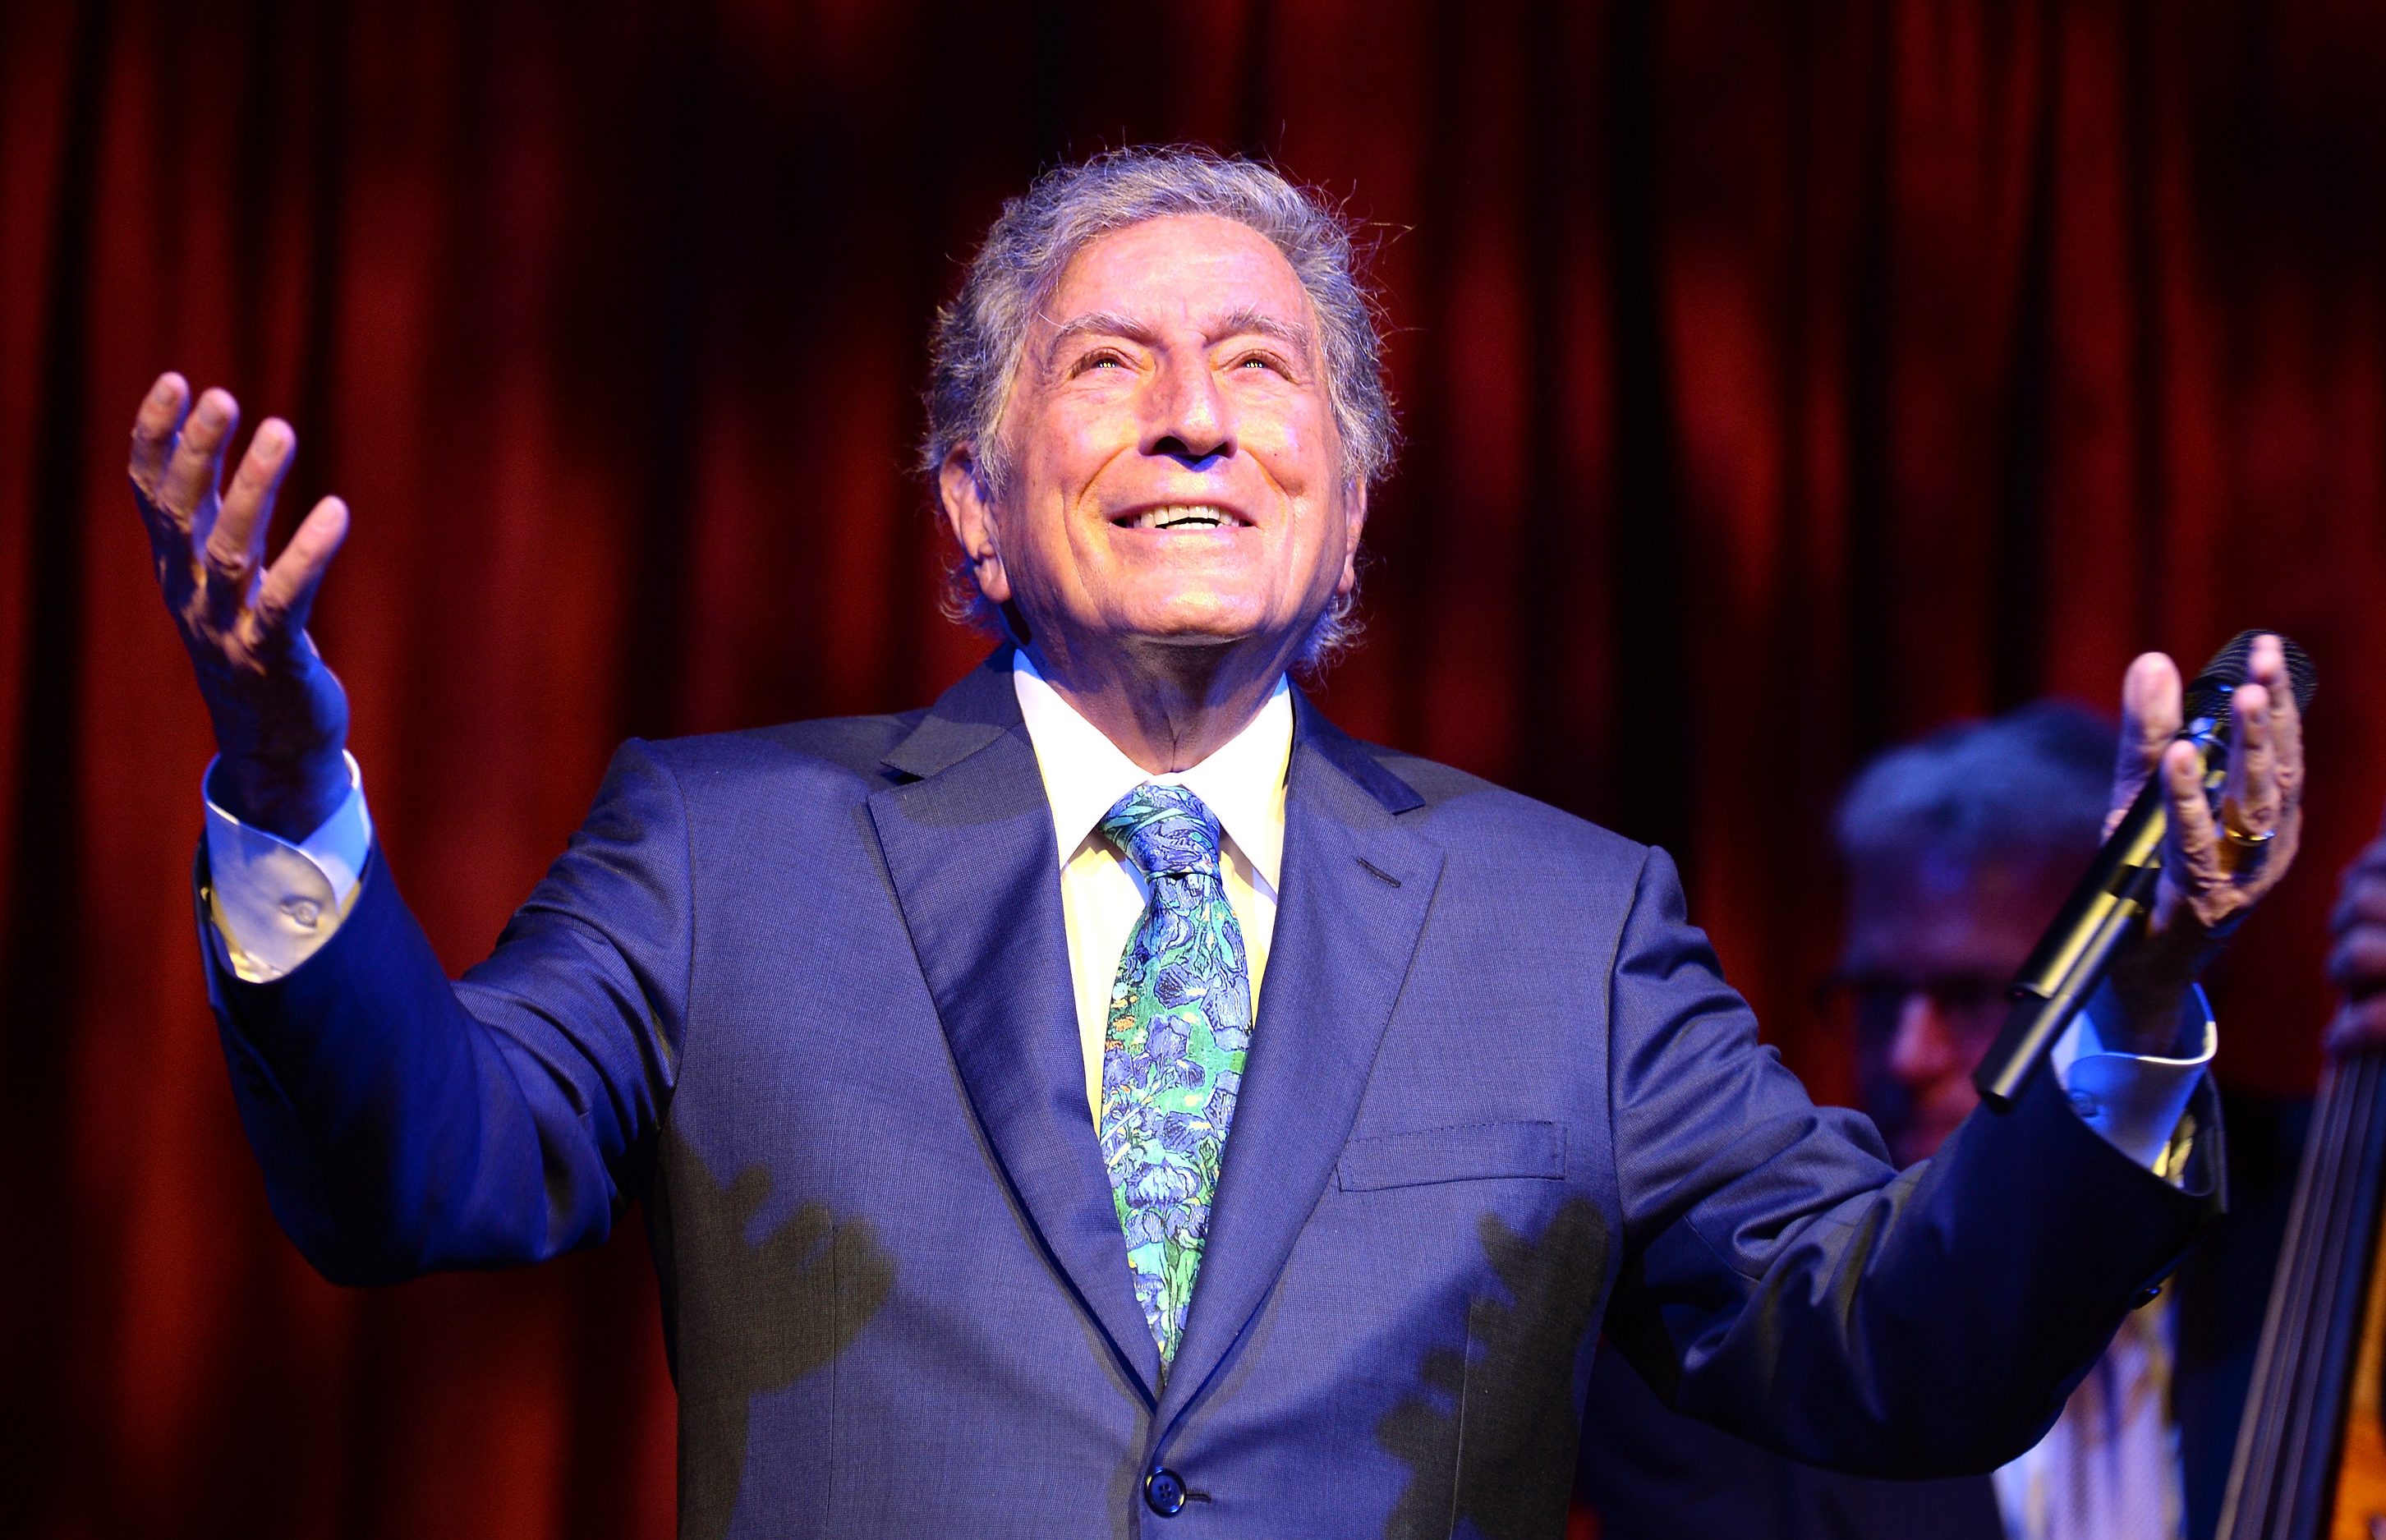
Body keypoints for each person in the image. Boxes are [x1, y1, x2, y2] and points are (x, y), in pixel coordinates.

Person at [127, 148, 2306, 1538]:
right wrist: (289, 793)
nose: (1193, 411)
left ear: (1347, 506)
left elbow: (1888, 1345)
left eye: (1261, 367)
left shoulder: (1570, 922)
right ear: (970, 503)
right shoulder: (721, 847)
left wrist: (2135, 997)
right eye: (1112, 360)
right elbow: (422, 1172)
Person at [1575, 703, 2307, 1540]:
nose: (1904, 1058)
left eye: (1968, 997)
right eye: (1878, 999)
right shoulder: (1704, 1360)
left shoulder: (2324, 1202)